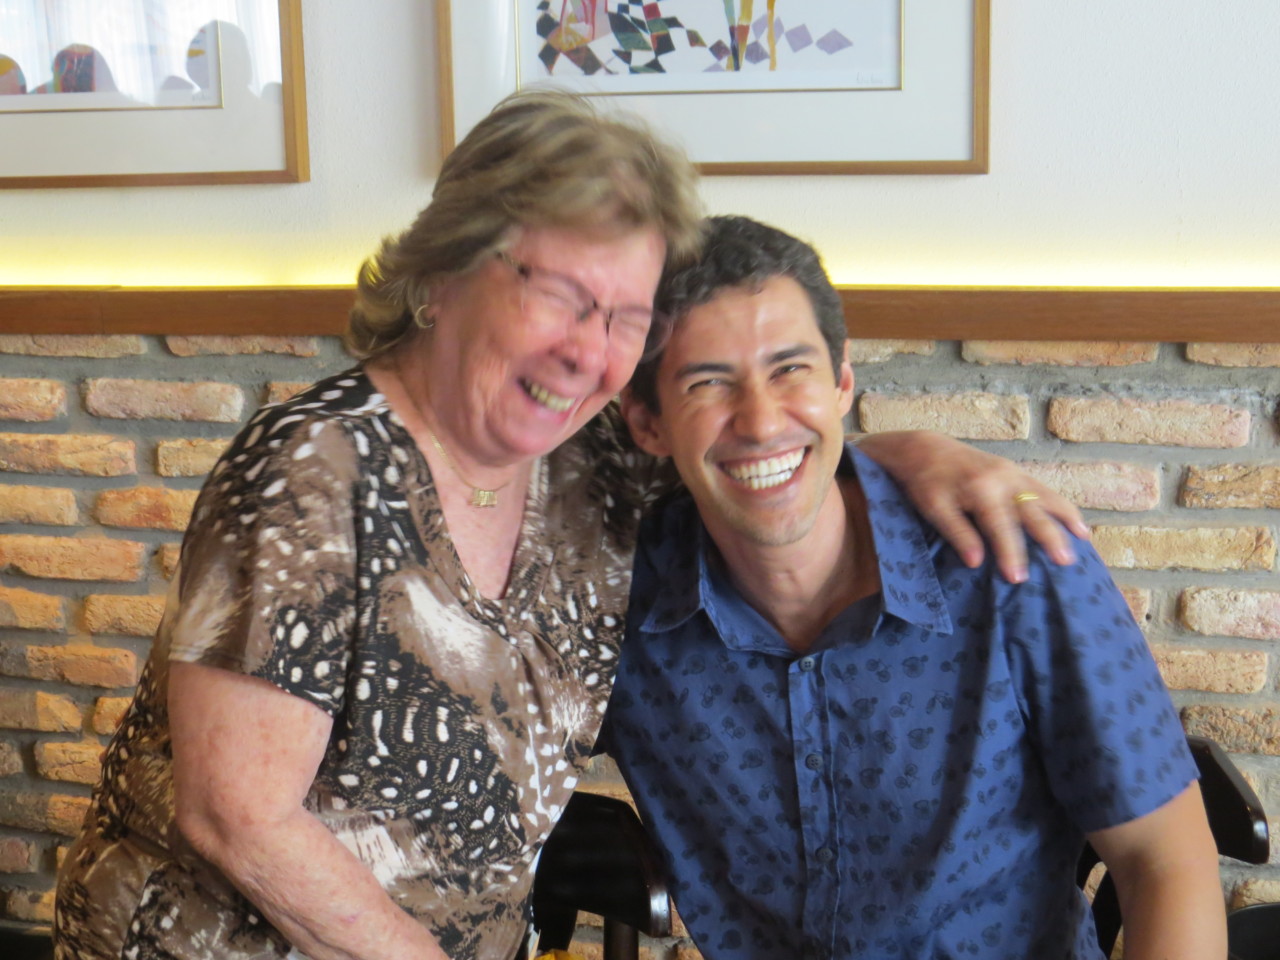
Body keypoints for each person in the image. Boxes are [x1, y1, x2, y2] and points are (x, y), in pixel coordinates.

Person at [54, 93, 1084, 960]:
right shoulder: (312, 469)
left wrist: (909, 453)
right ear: (444, 270)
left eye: (627, 317)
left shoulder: (590, 463)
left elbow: (752, 447)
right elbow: (238, 818)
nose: (589, 352)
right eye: (558, 295)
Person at [605, 215, 1225, 960]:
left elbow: (1166, 860)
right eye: (708, 382)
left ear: (841, 382)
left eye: (790, 369)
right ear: (647, 422)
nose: (762, 422)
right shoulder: (611, 603)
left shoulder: (1013, 564)